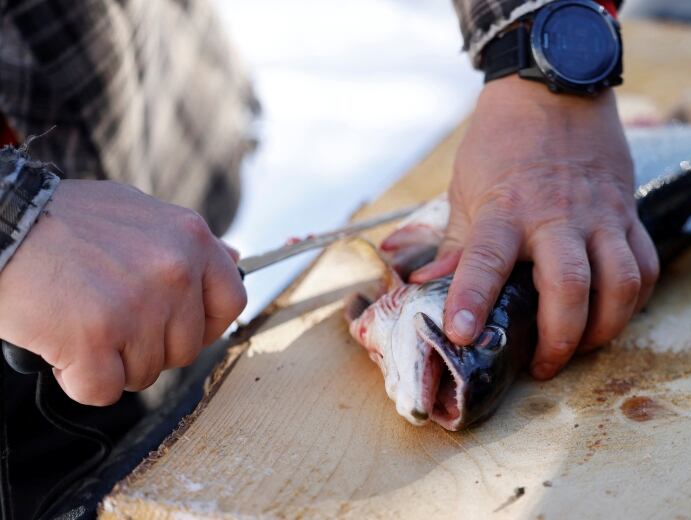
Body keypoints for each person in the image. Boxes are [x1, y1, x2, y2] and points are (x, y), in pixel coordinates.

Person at [0, 0, 657, 514]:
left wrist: (541, 46)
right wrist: (14, 222)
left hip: (154, 145)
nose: (469, 349)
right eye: (486, 339)